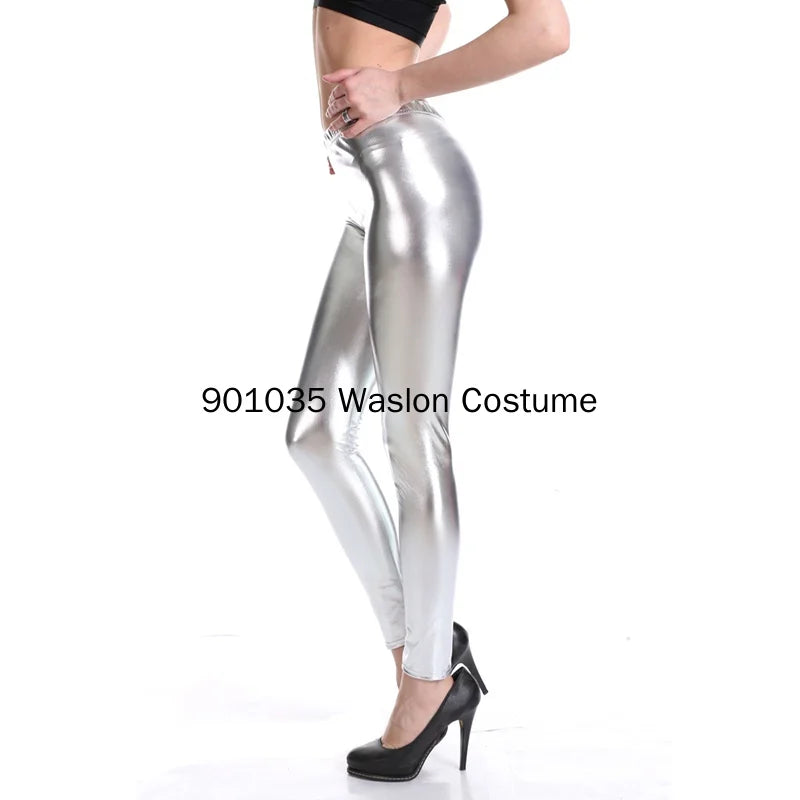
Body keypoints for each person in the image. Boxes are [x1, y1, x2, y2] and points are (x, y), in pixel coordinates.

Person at [285, 0, 570, 781]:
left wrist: (399, 86)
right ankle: (425, 652)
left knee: (413, 438)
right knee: (314, 435)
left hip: (414, 178)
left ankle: (427, 679)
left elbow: (546, 30)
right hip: (365, 179)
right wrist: (354, 108)